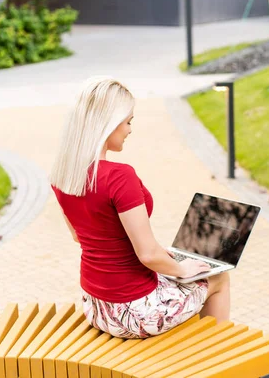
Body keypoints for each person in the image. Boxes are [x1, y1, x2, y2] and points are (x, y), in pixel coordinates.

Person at [49, 76, 230, 339]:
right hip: (134, 313)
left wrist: (163, 255)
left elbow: (82, 236)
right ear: (108, 124)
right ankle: (221, 360)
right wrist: (182, 269)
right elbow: (147, 255)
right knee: (219, 279)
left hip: (97, 305)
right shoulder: (119, 177)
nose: (130, 130)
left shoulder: (63, 175)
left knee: (178, 270)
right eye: (128, 122)